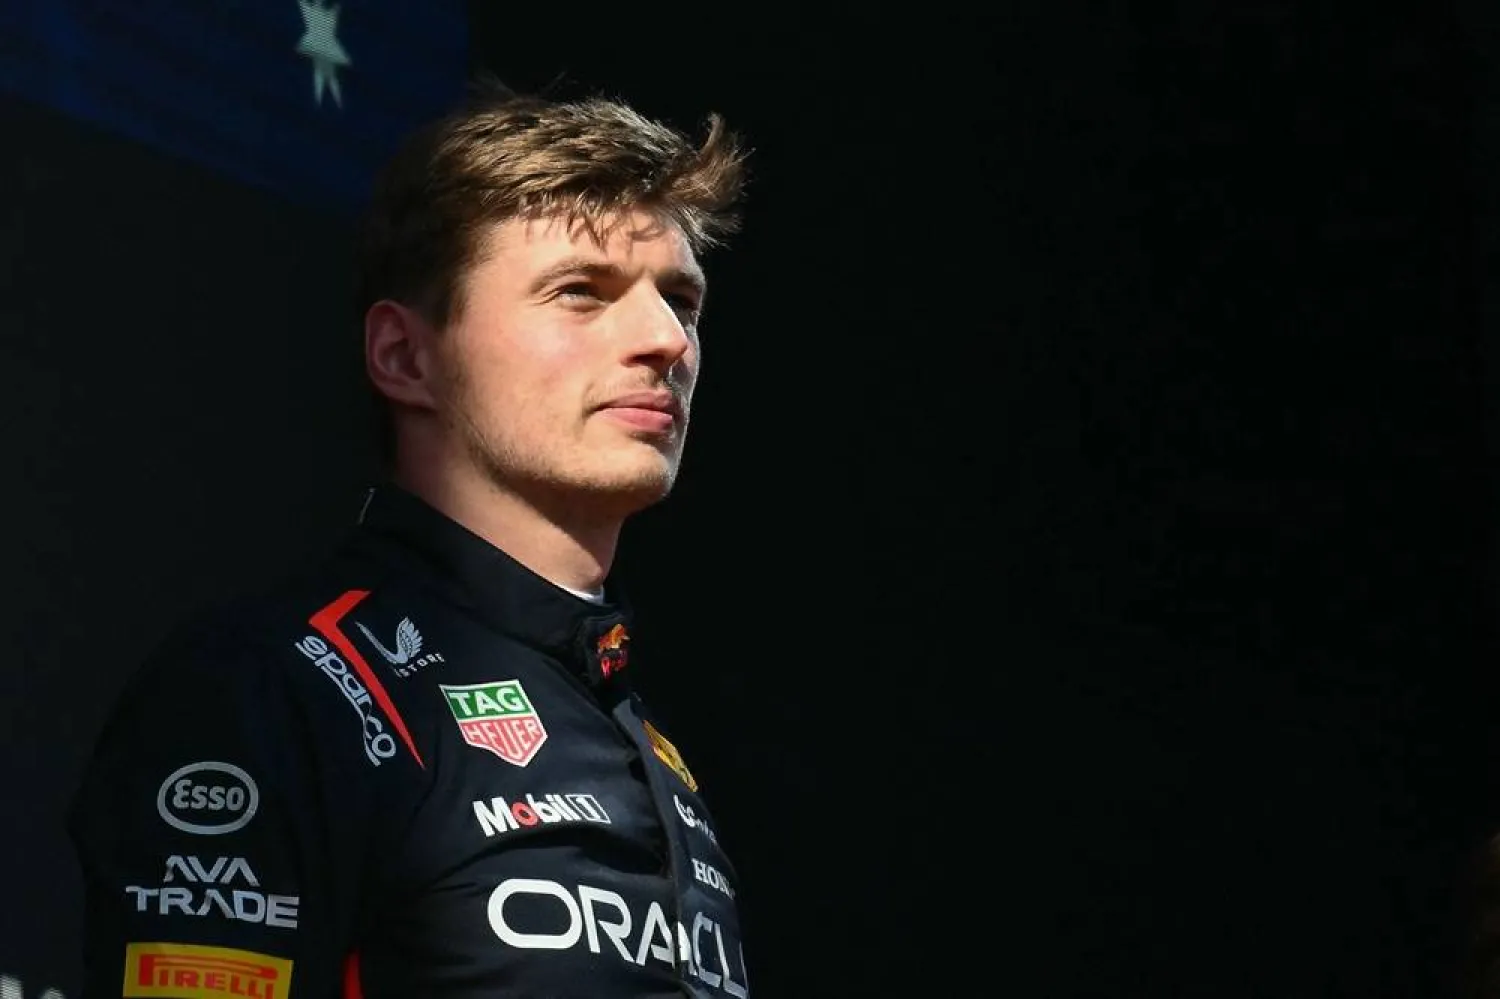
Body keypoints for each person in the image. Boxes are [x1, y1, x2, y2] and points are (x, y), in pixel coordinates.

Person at [67, 81, 751, 998]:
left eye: (682, 300)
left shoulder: (654, 749)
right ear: (404, 356)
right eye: (580, 293)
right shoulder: (275, 687)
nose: (665, 339)